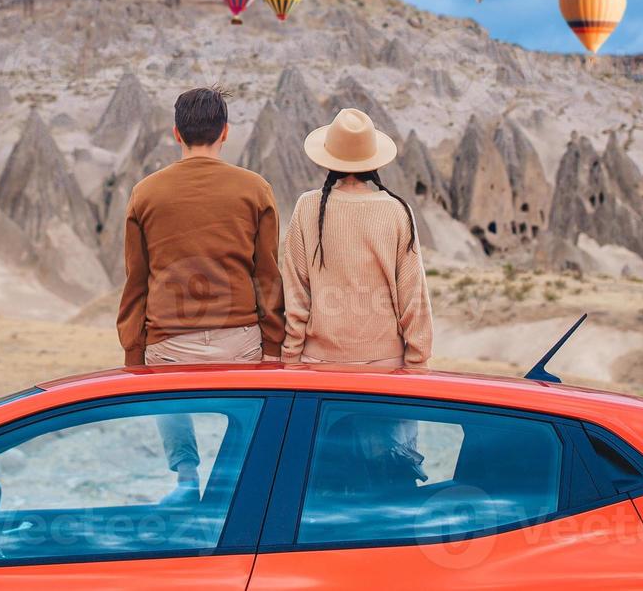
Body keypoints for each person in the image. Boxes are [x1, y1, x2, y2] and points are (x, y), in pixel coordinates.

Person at [118, 86, 283, 503]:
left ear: (176, 133)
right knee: (250, 419)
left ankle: (187, 475)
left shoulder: (146, 192)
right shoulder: (255, 188)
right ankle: (232, 489)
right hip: (240, 340)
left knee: (169, 402)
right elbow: (268, 275)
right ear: (225, 132)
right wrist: (274, 349)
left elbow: (136, 281)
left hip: (168, 344)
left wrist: (133, 354)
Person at [281, 108, 433, 368]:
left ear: (329, 160)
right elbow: (413, 294)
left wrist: (291, 356)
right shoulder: (397, 210)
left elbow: (296, 293)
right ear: (373, 162)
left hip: (319, 361)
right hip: (386, 363)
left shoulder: (307, 206)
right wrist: (417, 362)